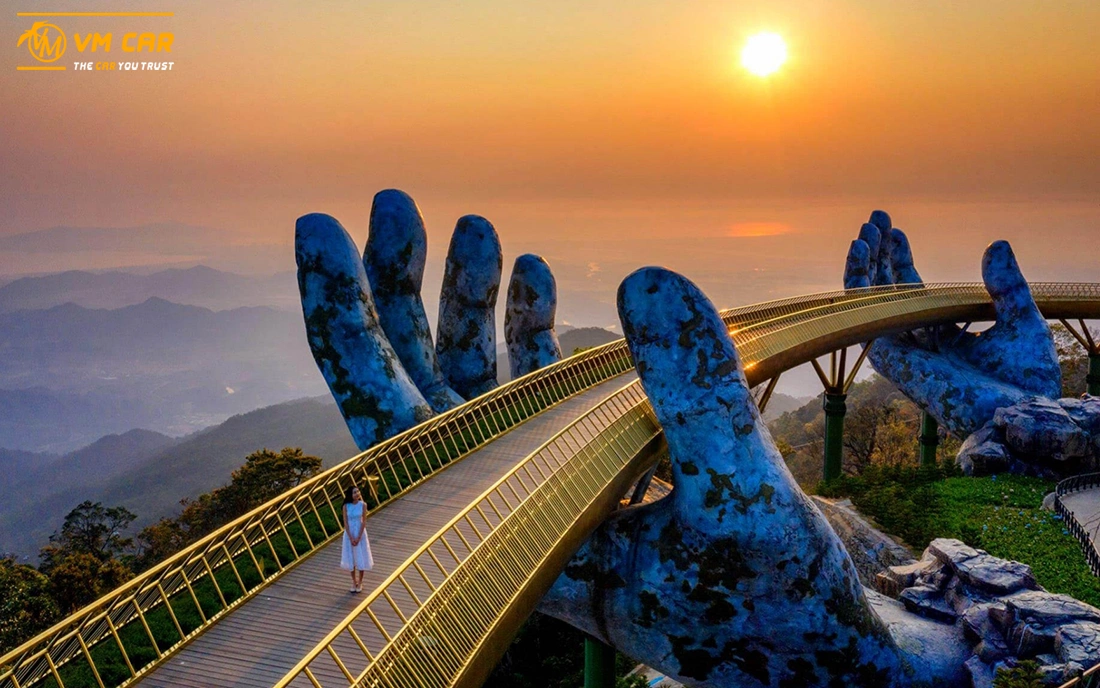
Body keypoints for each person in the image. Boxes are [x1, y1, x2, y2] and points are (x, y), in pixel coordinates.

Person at [340, 485, 373, 592]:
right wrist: (350, 537)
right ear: (350, 495)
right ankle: (354, 581)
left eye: (358, 492)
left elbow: (364, 522)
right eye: (354, 492)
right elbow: (345, 523)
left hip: (360, 532)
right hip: (349, 533)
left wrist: (358, 537)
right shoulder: (346, 506)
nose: (357, 494)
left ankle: (360, 581)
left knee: (361, 556)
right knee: (351, 558)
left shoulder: (363, 505)